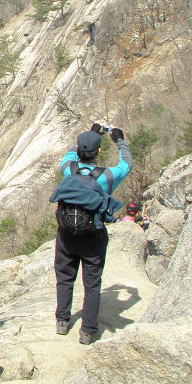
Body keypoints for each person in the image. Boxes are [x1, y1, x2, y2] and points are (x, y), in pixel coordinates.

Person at [51, 123, 133, 345]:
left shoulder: (69, 168)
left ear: (78, 149)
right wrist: (119, 140)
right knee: (92, 284)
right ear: (98, 152)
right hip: (93, 236)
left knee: (65, 278)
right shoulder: (107, 176)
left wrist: (91, 133)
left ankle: (62, 321)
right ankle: (87, 331)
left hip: (66, 235)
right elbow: (127, 164)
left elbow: (69, 153)